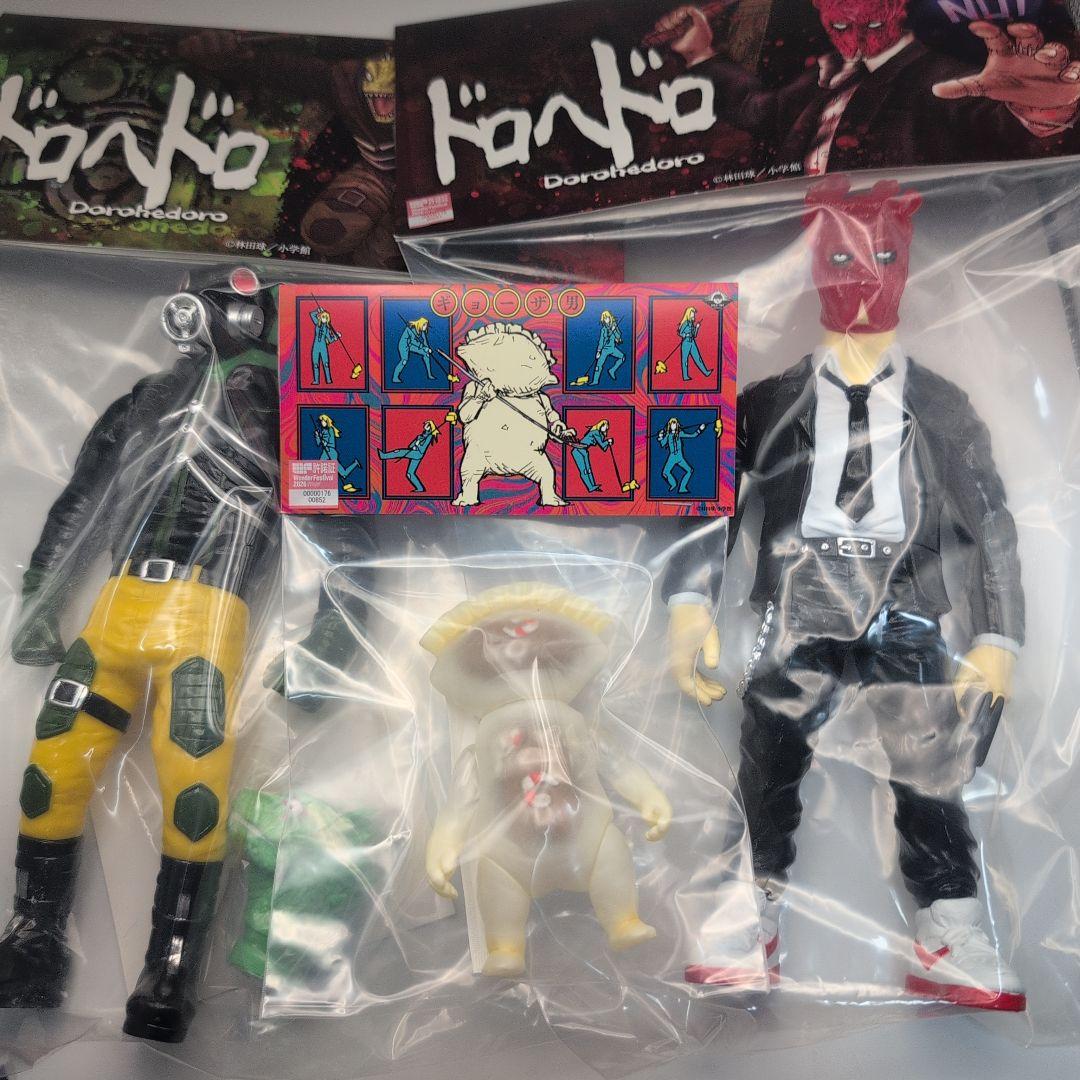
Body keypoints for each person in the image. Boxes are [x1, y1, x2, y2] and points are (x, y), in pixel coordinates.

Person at [664, 178, 1026, 1011]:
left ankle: (951, 928)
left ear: (904, 265)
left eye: (882, 256)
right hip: (800, 600)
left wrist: (998, 636)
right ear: (814, 265)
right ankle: (745, 913)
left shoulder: (942, 405)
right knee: (768, 753)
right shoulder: (767, 403)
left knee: (932, 765)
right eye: (841, 259)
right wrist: (689, 604)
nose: (863, 279)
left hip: (906, 602)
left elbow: (991, 520)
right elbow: (706, 501)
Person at [0, 270, 280, 1042]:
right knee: (53, 769)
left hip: (206, 609)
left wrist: (333, 634)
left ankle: (172, 964)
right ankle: (32, 936)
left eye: (234, 305)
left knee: (195, 785)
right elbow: (81, 498)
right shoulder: (147, 400)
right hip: (119, 604)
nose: (211, 317)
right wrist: (42, 597)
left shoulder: (287, 407)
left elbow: (337, 516)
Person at [653, 3, 1080, 176]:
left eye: (873, 24)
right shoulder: (826, 74)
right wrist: (702, 54)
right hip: (790, 242)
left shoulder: (940, 77)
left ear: (898, 12)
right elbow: (759, 110)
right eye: (841, 26)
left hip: (908, 251)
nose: (857, 39)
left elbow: (995, 127)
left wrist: (1044, 111)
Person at [379, 419, 440, 493]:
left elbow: (423, 448)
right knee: (410, 473)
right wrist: (415, 444)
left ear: (430, 427)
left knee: (399, 452)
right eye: (425, 424)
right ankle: (420, 488)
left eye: (427, 425)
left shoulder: (429, 437)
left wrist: (418, 445)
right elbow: (410, 446)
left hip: (418, 454)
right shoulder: (419, 436)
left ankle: (384, 456)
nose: (425, 425)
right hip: (414, 452)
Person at [314, 413, 362, 494]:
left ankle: (355, 463)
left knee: (343, 474)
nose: (322, 423)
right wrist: (317, 436)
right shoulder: (323, 431)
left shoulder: (330, 430)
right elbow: (319, 444)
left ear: (327, 421)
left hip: (331, 451)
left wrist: (324, 442)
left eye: (324, 421)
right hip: (325, 452)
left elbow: (331, 442)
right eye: (321, 421)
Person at [658, 416, 707, 493]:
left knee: (689, 470)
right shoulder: (668, 435)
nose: (673, 426)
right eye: (672, 424)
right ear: (669, 426)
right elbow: (662, 444)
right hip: (672, 457)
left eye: (674, 424)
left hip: (680, 457)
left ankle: (682, 488)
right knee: (665, 473)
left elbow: (692, 435)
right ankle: (673, 484)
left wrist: (700, 429)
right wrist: (660, 437)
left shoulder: (680, 433)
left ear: (677, 425)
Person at [571, 420, 613, 493]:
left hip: (584, 450)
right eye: (605, 427)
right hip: (578, 450)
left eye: (606, 428)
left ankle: (593, 486)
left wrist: (608, 444)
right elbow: (602, 445)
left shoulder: (600, 434)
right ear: (601, 425)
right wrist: (608, 441)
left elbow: (604, 448)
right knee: (584, 470)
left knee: (588, 469)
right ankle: (590, 487)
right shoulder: (595, 432)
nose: (606, 429)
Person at [394, 317, 435, 383]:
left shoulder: (421, 331)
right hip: (404, 345)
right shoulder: (411, 329)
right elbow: (414, 342)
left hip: (411, 345)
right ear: (420, 324)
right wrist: (425, 348)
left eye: (426, 325)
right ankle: (395, 377)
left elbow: (425, 341)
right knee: (404, 360)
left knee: (426, 354)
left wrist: (427, 349)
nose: (425, 327)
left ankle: (429, 374)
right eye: (424, 325)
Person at [590, 311, 625, 385]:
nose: (606, 320)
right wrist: (598, 351)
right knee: (598, 365)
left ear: (610, 318)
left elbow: (618, 337)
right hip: (604, 350)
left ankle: (612, 370)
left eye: (607, 318)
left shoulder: (614, 326)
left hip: (612, 348)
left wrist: (614, 330)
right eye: (604, 319)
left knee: (622, 357)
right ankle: (595, 381)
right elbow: (601, 341)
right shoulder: (603, 329)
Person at [677, 306, 712, 380]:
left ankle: (706, 372)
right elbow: (680, 333)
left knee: (698, 358)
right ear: (688, 314)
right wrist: (685, 335)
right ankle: (685, 376)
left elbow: (694, 335)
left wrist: (697, 328)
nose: (693, 316)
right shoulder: (685, 323)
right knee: (685, 360)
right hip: (686, 343)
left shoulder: (692, 323)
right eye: (692, 314)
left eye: (694, 315)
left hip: (692, 342)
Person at [310, 308, 341, 384]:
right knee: (315, 364)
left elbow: (330, 340)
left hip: (323, 347)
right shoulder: (317, 324)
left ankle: (328, 380)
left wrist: (336, 336)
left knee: (326, 364)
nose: (324, 319)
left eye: (326, 317)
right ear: (320, 317)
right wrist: (318, 310)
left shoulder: (327, 329)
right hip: (315, 347)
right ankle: (316, 381)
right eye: (323, 317)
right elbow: (312, 314)